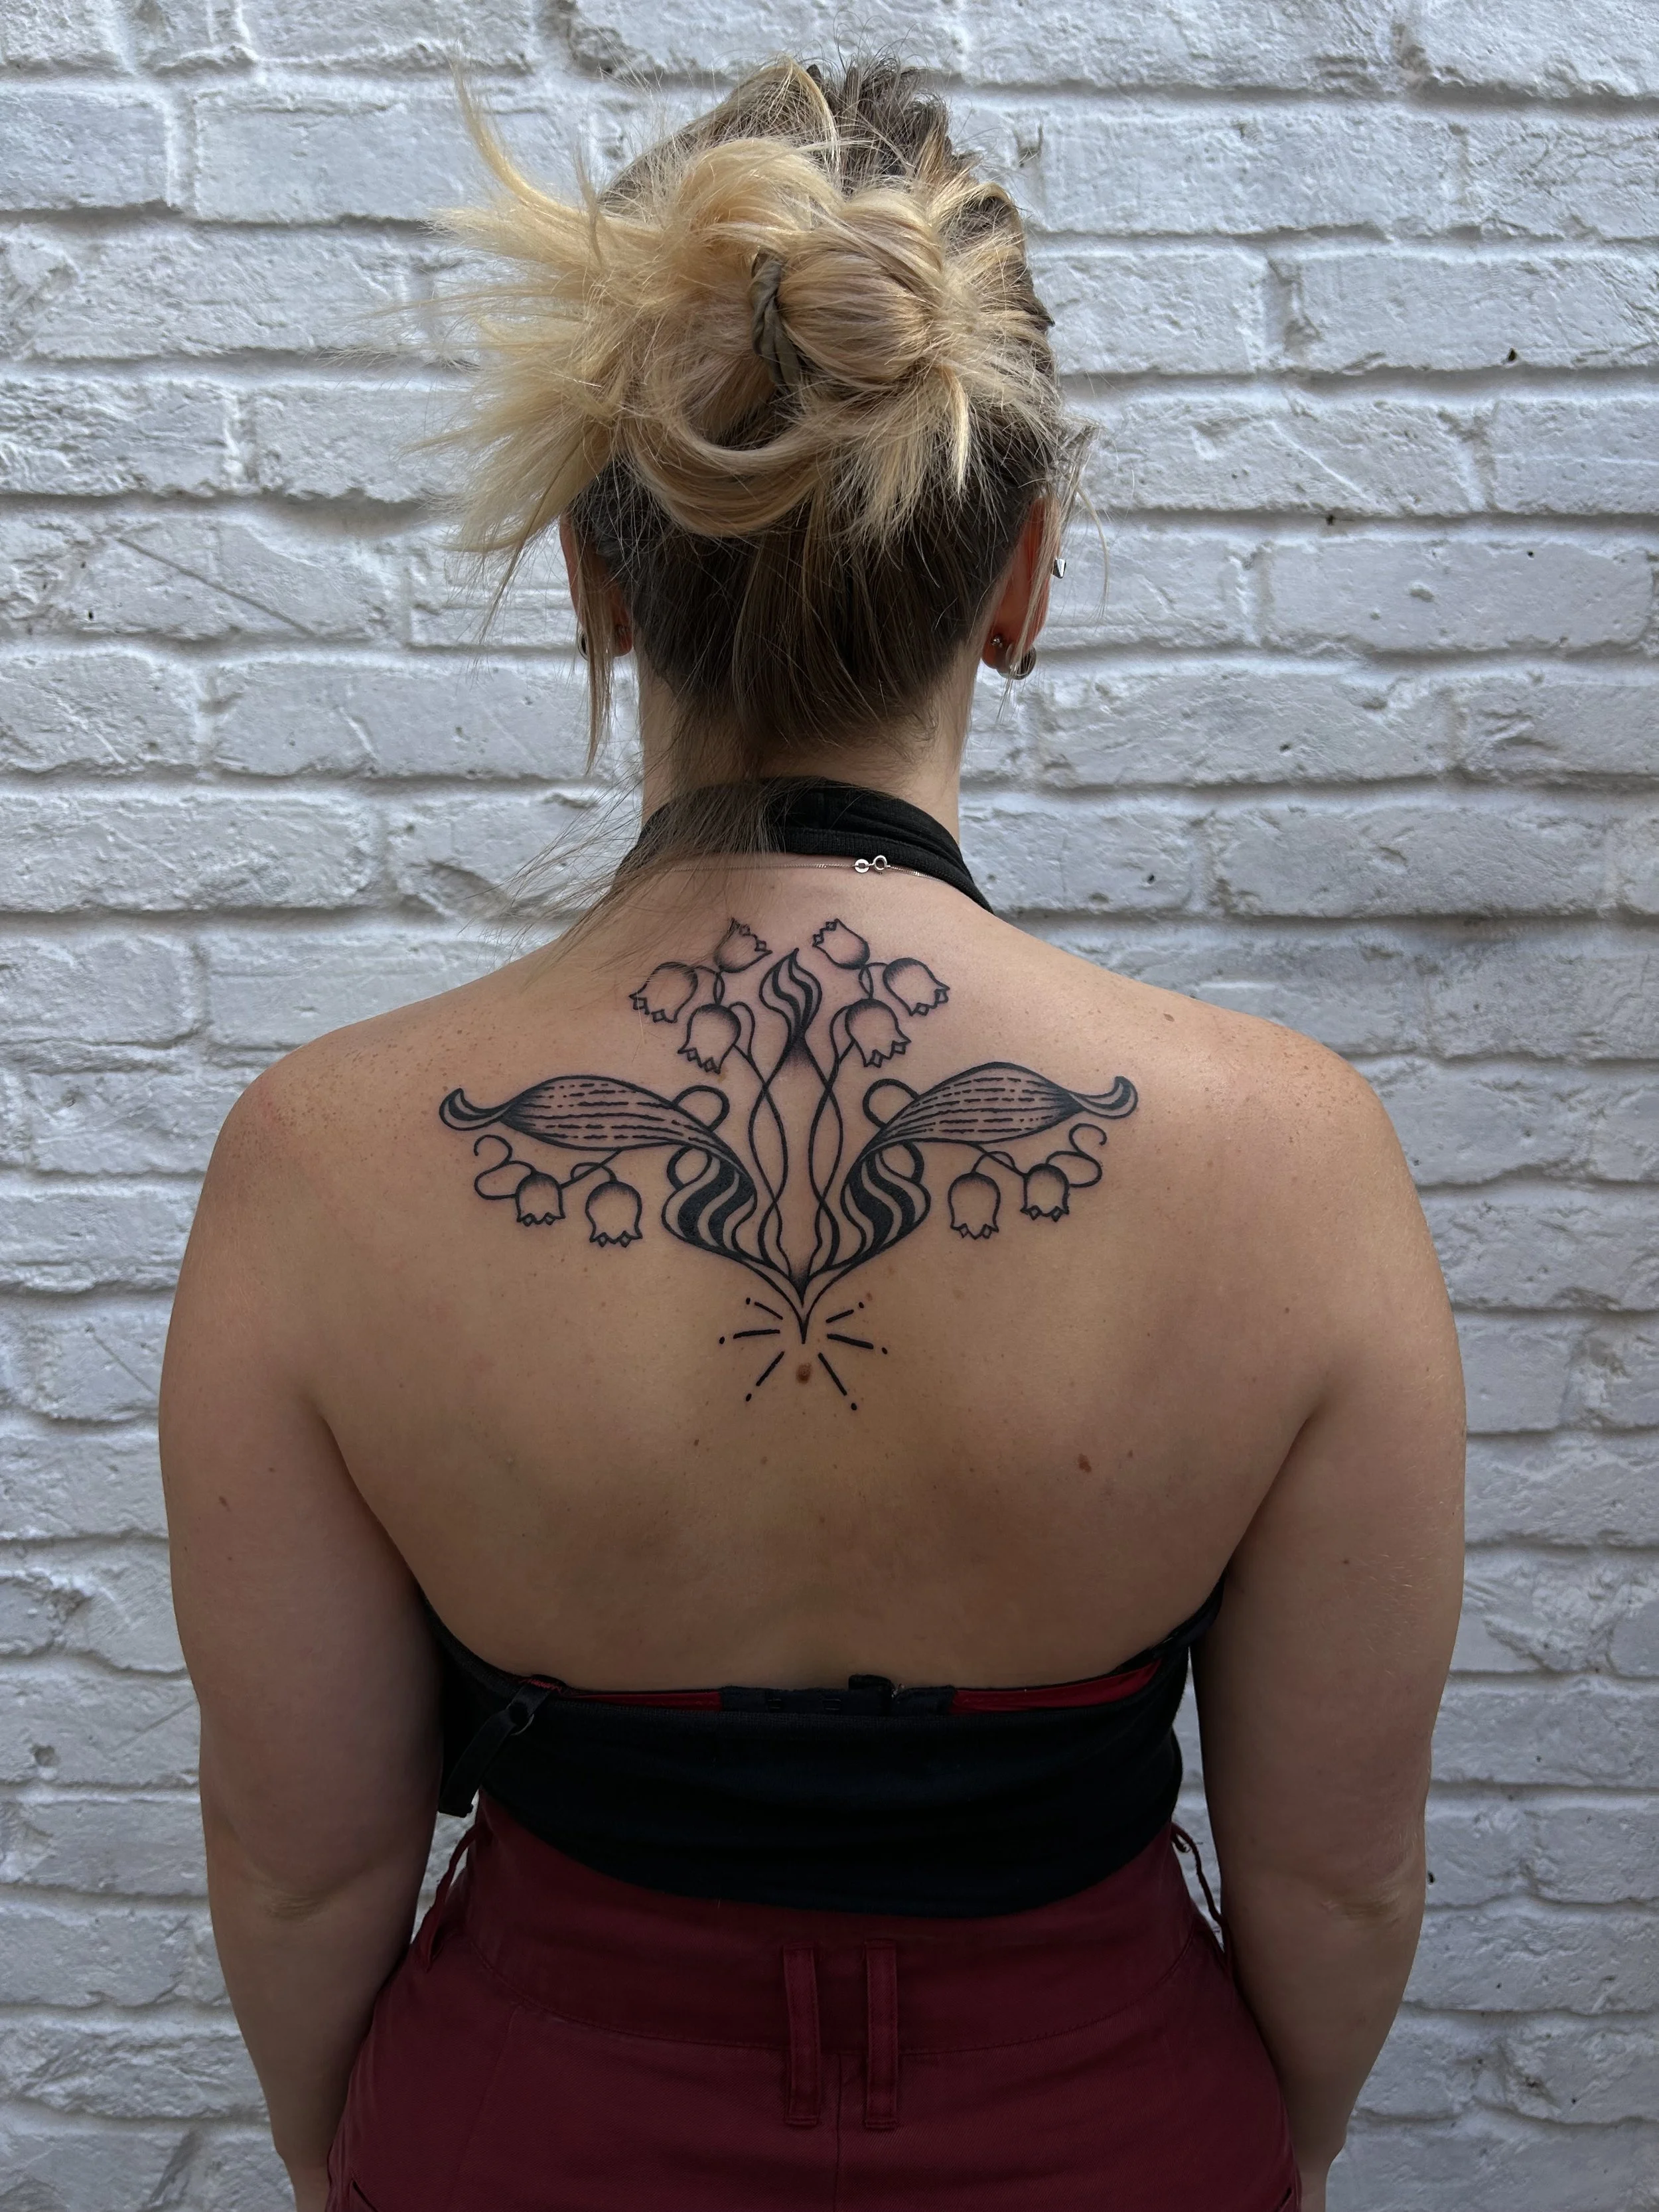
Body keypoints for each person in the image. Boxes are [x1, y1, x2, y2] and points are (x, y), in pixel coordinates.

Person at [159, 57, 1465, 2212]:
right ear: (1023, 576)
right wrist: (1260, 2149)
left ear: (596, 579)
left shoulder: (324, 1159)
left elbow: (303, 1877)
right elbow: (1336, 1885)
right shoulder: (1291, 1160)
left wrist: (349, 2156)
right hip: (1103, 2119)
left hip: (537, 2128)